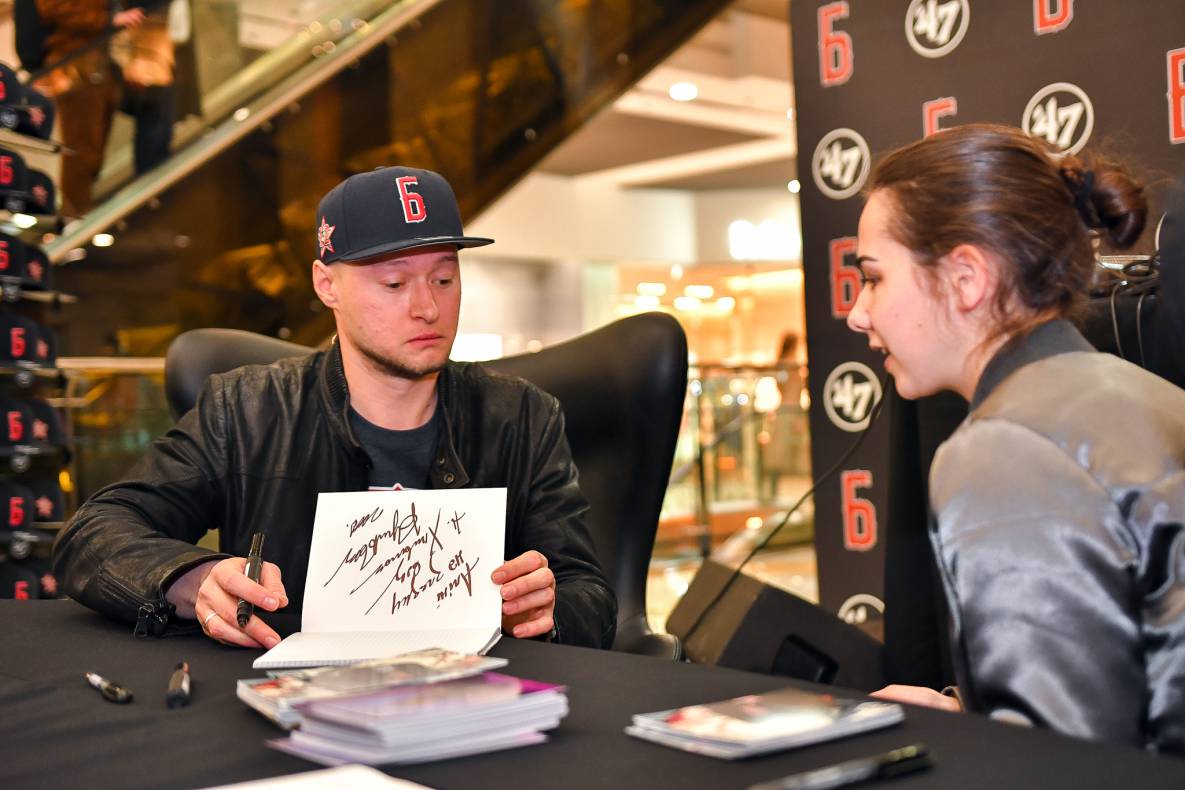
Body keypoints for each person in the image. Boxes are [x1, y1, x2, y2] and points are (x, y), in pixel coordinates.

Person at [52, 165, 617, 650]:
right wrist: (192, 577)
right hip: (285, 707)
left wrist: (548, 611)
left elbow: (588, 592)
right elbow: (93, 533)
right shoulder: (245, 409)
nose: (427, 308)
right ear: (327, 286)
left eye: (444, 278)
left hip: (473, 706)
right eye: (394, 284)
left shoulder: (522, 417)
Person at [845, 124, 1184, 754]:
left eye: (874, 278)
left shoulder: (1004, 449)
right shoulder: (1141, 393)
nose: (857, 313)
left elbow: (1061, 765)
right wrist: (965, 709)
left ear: (967, 278)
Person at [34, 1, 147, 215]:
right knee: (81, 154)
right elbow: (54, 8)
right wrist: (107, 20)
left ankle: (80, 221)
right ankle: (76, 226)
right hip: (76, 62)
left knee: (92, 154)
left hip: (100, 58)